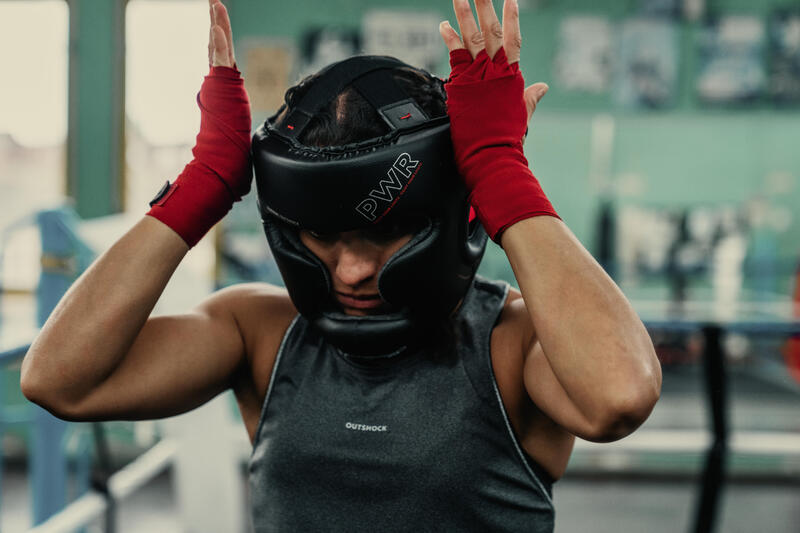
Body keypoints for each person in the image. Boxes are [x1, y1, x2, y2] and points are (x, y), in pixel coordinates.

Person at [21, 0, 661, 531]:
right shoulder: (260, 333)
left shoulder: (515, 344)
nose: (351, 271)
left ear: (455, 212)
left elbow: (620, 397)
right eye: (321, 237)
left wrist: (499, 171)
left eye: (386, 234)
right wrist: (201, 187)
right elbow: (59, 381)